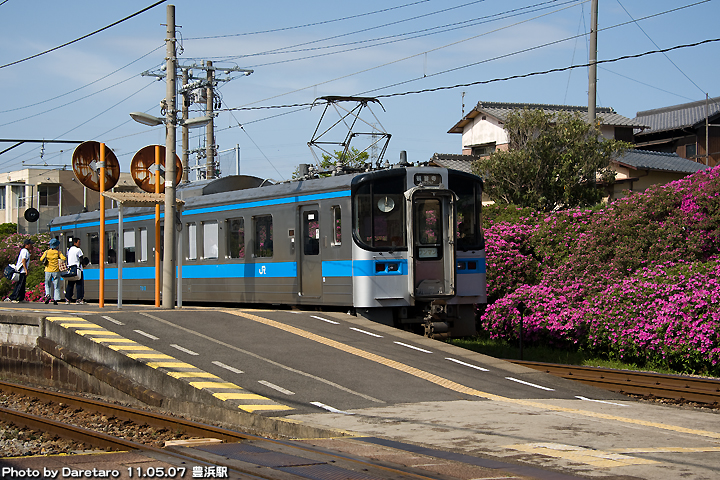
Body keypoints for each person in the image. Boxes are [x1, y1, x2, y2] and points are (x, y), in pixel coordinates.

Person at [40, 238, 66, 305]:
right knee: (56, 285)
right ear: (56, 245)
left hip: (47, 270)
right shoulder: (58, 252)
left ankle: (48, 295)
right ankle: (56, 299)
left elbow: (41, 259)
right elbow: (64, 258)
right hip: (56, 271)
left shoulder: (47, 252)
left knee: (47, 284)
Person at [6, 238, 33, 303]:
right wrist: (26, 270)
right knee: (20, 285)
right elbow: (23, 260)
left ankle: (21, 298)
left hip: (22, 270)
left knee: (22, 285)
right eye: (30, 244)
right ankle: (13, 297)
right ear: (26, 245)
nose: (31, 246)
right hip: (21, 271)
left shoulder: (25, 251)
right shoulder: (24, 251)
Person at [65, 237, 86, 305]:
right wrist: (84, 264)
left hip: (71, 269)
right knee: (79, 285)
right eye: (79, 242)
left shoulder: (69, 250)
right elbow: (81, 259)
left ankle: (68, 299)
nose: (80, 244)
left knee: (70, 284)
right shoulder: (78, 250)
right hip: (78, 269)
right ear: (75, 243)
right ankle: (79, 299)